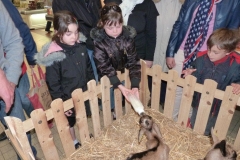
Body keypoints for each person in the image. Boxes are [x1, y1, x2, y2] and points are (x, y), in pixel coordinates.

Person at [165, 0, 240, 121]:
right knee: (177, 88)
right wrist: (170, 52)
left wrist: (219, 54)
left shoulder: (234, 2)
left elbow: (231, 33)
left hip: (208, 55)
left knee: (198, 92)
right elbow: (179, 24)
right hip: (184, 49)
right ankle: (171, 120)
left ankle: (188, 122)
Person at [35, 10, 95, 149]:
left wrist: (92, 82)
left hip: (83, 91)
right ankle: (74, 141)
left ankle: (85, 135)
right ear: (57, 32)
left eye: (76, 32)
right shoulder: (54, 55)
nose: (74, 36)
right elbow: (53, 83)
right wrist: (62, 103)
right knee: (70, 121)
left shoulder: (81, 47)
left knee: (83, 116)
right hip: (67, 96)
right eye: (69, 34)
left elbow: (88, 68)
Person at [182, 28, 240, 136]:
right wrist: (190, 72)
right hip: (198, 102)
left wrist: (238, 85)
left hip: (217, 107)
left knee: (209, 128)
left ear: (228, 52)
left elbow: (237, 80)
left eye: (215, 52)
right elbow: (195, 70)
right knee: (195, 123)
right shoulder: (201, 59)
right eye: (209, 49)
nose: (210, 54)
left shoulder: (235, 66)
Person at [0, 1, 38, 159]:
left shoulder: (4, 5)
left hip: (11, 74)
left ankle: (28, 154)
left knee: (18, 118)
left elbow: (18, 35)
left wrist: (9, 82)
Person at [104, 0, 159, 107]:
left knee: (135, 78)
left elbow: (151, 33)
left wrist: (149, 57)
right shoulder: (113, 2)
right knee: (117, 79)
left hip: (138, 50)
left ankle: (135, 103)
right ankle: (116, 107)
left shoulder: (147, 4)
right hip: (115, 50)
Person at [90, 4, 141, 112]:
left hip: (123, 72)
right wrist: (116, 83)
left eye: (118, 26)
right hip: (106, 75)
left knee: (122, 93)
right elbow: (103, 65)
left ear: (122, 23)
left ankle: (117, 109)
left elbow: (134, 61)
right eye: (110, 27)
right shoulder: (99, 41)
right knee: (108, 96)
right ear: (103, 24)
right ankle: (110, 110)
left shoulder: (128, 38)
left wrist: (135, 85)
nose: (115, 31)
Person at [52, 0, 102, 83]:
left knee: (94, 75)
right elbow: (62, 24)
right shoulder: (60, 2)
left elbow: (98, 13)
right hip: (78, 44)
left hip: (96, 41)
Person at [153, 0, 182, 107]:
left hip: (171, 46)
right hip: (155, 44)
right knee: (153, 70)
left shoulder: (182, 5)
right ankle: (154, 96)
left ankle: (164, 98)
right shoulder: (153, 3)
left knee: (168, 72)